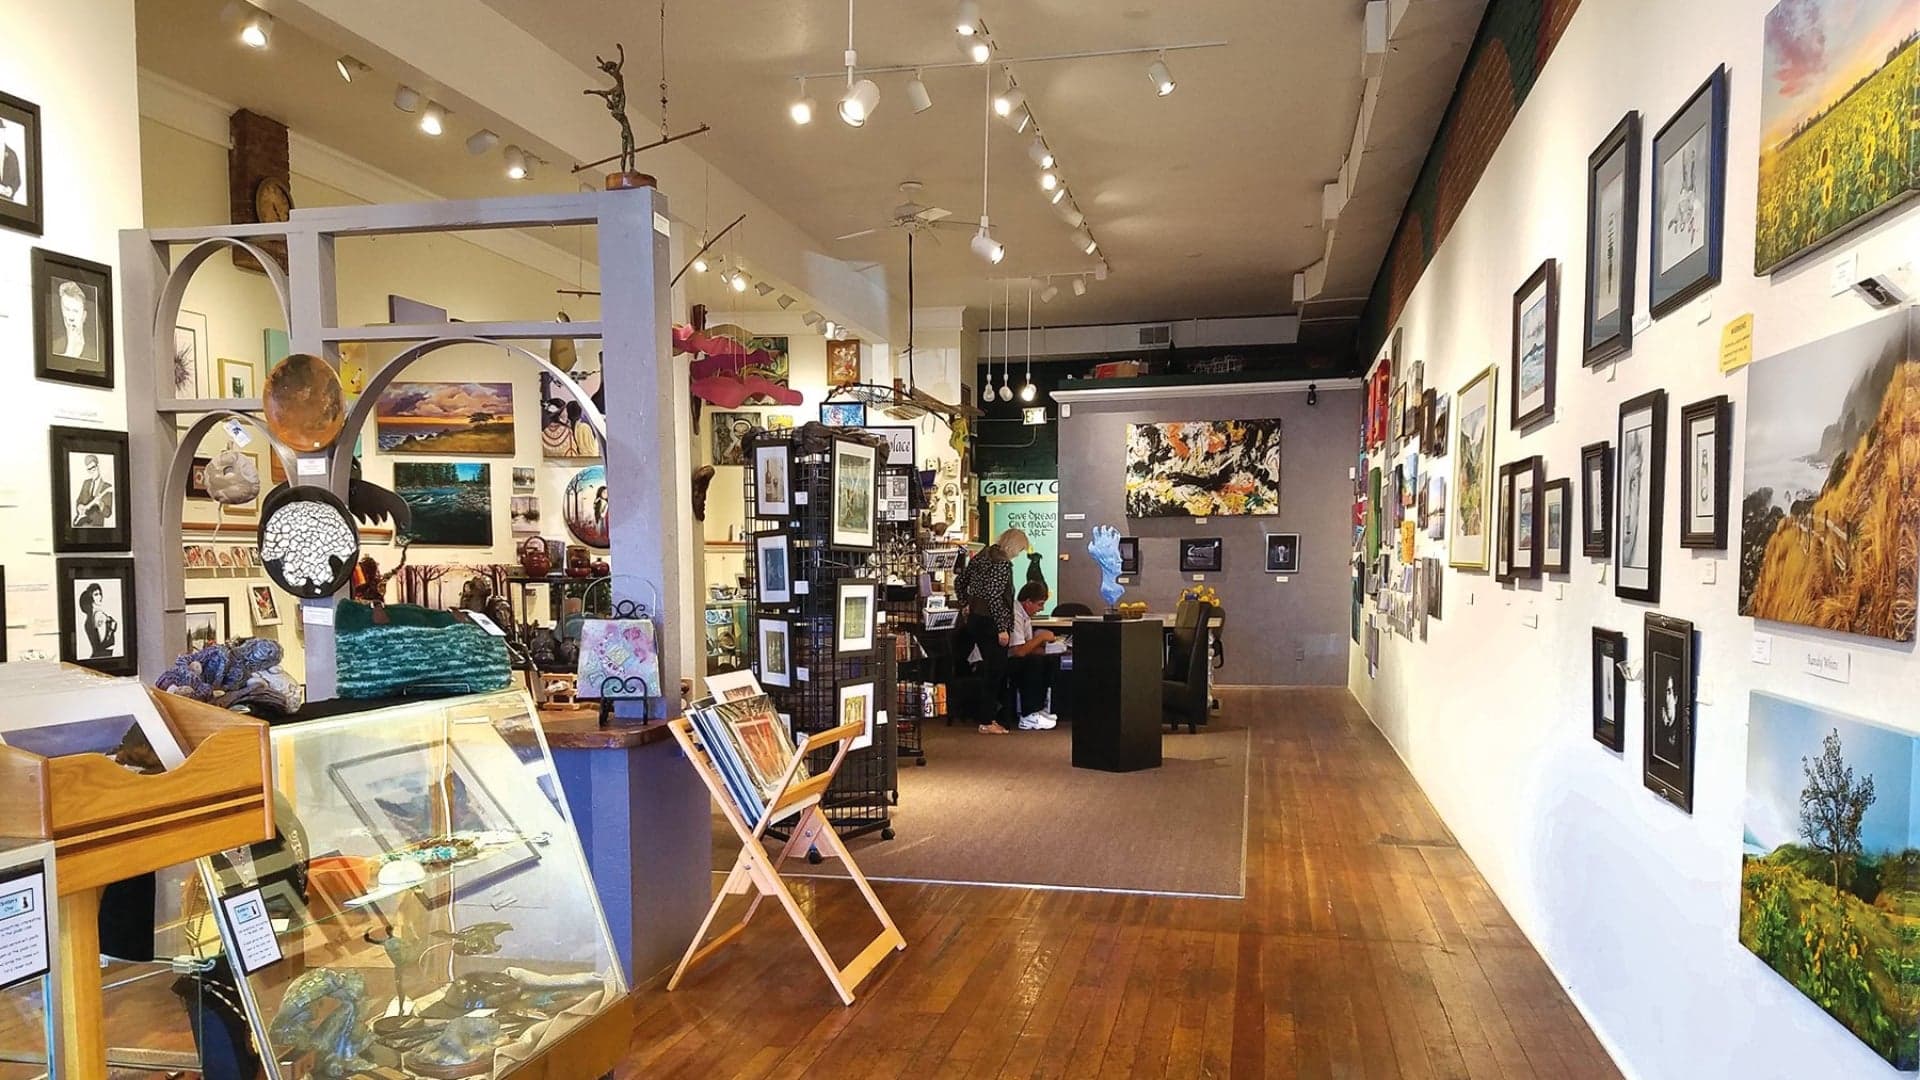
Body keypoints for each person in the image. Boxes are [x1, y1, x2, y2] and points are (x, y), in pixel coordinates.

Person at [955, 527, 1026, 734]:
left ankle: (989, 718)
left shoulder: (982, 556)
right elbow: (995, 598)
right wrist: (1002, 628)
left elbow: (961, 581)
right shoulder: (1001, 564)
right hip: (991, 622)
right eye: (1020, 549)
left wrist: (964, 603)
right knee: (995, 671)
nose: (1019, 554)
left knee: (991, 670)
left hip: (976, 619)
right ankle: (987, 721)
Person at [1007, 582, 1061, 730]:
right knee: (1033, 663)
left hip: (1012, 656)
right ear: (1028, 602)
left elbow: (1027, 648)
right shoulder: (1014, 614)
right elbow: (1019, 651)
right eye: (1040, 604)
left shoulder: (1026, 616)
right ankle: (1028, 714)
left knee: (1048, 660)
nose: (1042, 609)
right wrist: (1042, 637)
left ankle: (1039, 709)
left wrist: (1052, 650)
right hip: (996, 660)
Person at [53, 279, 96, 361]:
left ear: (84, 315)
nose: (70, 316)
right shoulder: (55, 346)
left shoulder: (94, 351)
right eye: (66, 309)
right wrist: (70, 349)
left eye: (75, 311)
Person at [71, 454, 112, 527]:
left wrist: (100, 504)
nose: (92, 471)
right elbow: (79, 500)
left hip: (96, 527)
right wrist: (79, 506)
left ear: (98, 466)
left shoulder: (106, 487)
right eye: (89, 469)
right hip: (82, 524)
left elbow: (108, 513)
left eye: (93, 467)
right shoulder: (86, 483)